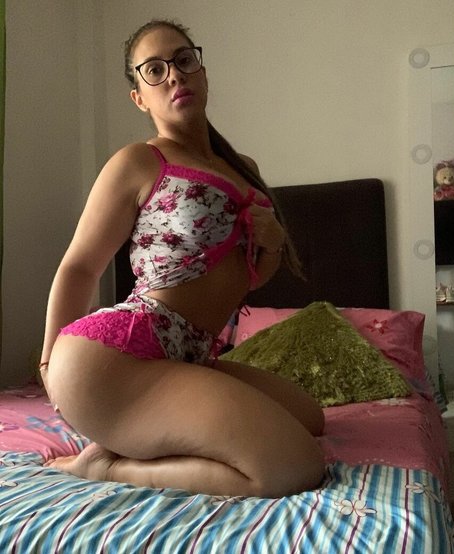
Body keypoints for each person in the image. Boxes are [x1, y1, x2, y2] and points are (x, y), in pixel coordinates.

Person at [41, 19, 325, 498]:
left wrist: (274, 242)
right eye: (154, 70)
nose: (173, 74)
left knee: (310, 418)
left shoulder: (245, 169)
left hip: (187, 355)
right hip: (115, 357)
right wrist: (48, 364)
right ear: (139, 97)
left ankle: (137, 439)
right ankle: (107, 467)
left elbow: (248, 279)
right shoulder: (138, 161)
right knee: (293, 465)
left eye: (183, 60)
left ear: (203, 72)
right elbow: (80, 267)